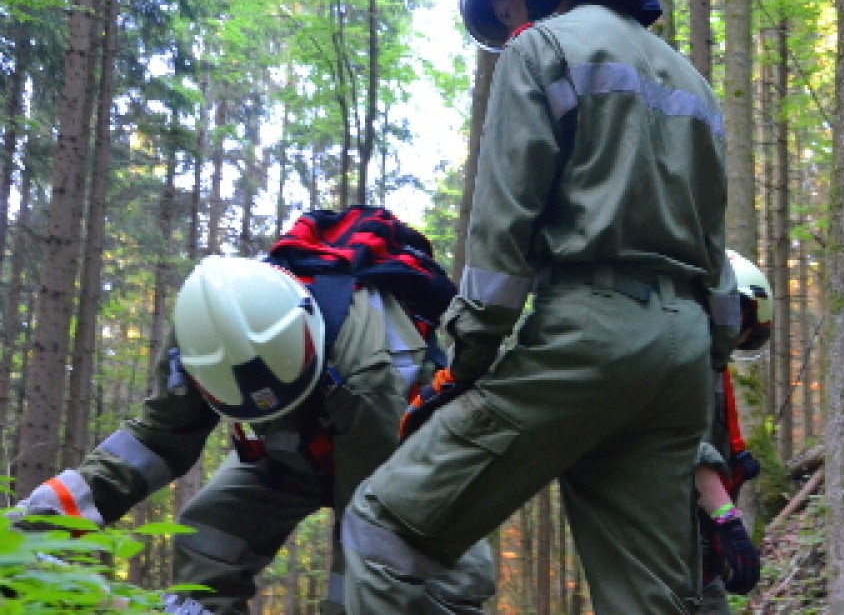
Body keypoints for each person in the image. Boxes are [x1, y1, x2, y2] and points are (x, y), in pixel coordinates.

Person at [340, 0, 741, 613]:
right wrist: (705, 365)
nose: (507, 23)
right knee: (651, 598)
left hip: (589, 336)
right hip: (683, 355)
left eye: (505, 5)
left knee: (383, 525)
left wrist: (460, 365)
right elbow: (716, 255)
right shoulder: (693, 84)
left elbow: (503, 233)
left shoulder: (543, 51)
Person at [13, 255, 495, 615]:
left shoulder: (369, 373)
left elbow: (372, 521)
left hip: (402, 469)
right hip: (290, 452)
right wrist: (30, 532)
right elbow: (154, 441)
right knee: (205, 540)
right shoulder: (199, 344)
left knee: (433, 591)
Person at [694, 250, 772, 612]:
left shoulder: (710, 364)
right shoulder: (686, 358)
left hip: (695, 549)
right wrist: (728, 521)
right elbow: (685, 443)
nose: (738, 337)